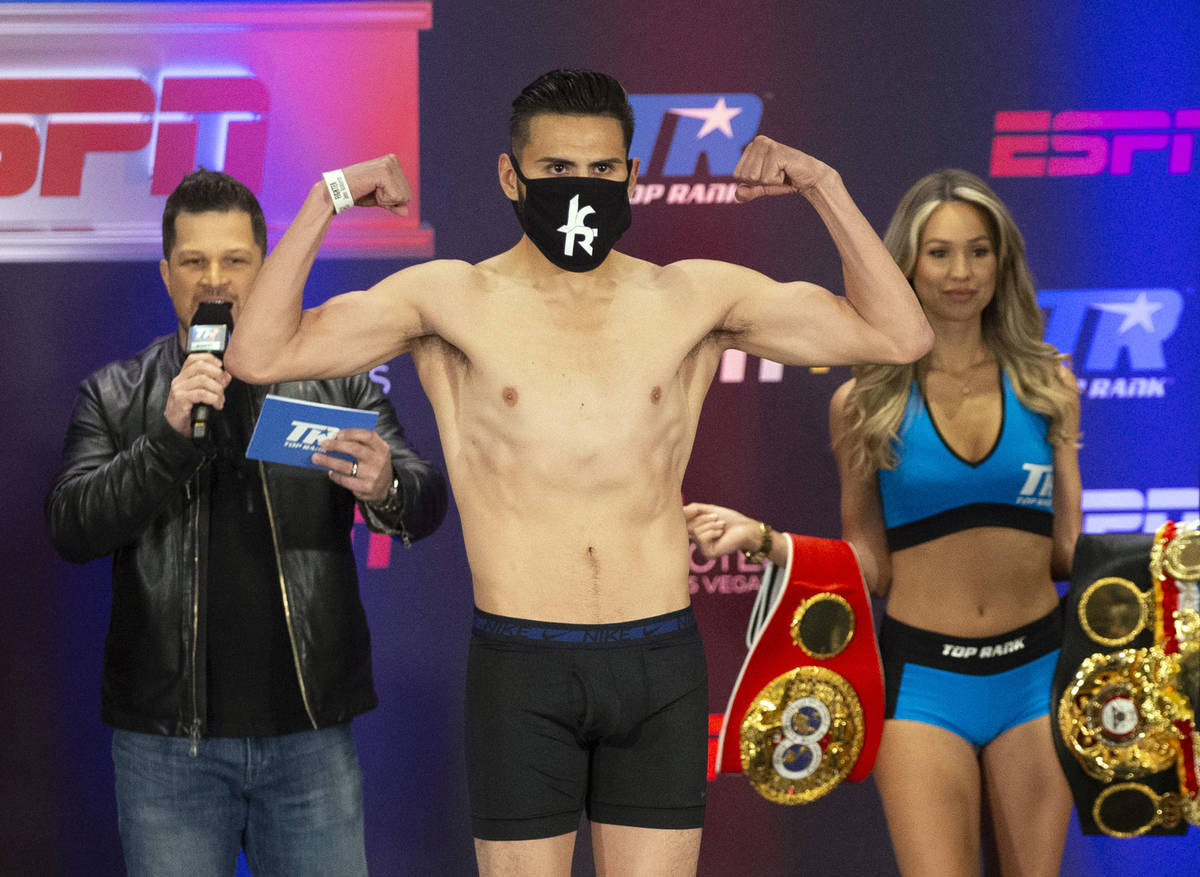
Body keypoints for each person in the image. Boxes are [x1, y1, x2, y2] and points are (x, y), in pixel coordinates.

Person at [223, 69, 933, 876]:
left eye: (601, 170)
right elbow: (259, 353)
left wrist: (824, 186)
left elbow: (898, 334)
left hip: (658, 660)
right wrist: (329, 195)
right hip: (521, 666)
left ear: (631, 176)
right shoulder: (450, 299)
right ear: (510, 175)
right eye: (557, 171)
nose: (581, 189)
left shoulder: (692, 297)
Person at [44, 169, 448, 877]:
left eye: (236, 260)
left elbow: (424, 494)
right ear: (167, 272)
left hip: (309, 745)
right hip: (168, 752)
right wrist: (168, 437)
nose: (216, 280)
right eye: (195, 261)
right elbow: (72, 524)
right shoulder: (115, 394)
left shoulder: (338, 378)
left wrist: (385, 484)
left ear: (269, 269)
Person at [686, 168, 1081, 876]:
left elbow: (1067, 550)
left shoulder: (1049, 383)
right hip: (922, 683)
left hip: (1036, 675)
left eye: (978, 250)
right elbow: (870, 561)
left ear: (1003, 261)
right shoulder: (863, 402)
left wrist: (1160, 571)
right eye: (939, 252)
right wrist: (769, 543)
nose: (961, 271)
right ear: (908, 263)